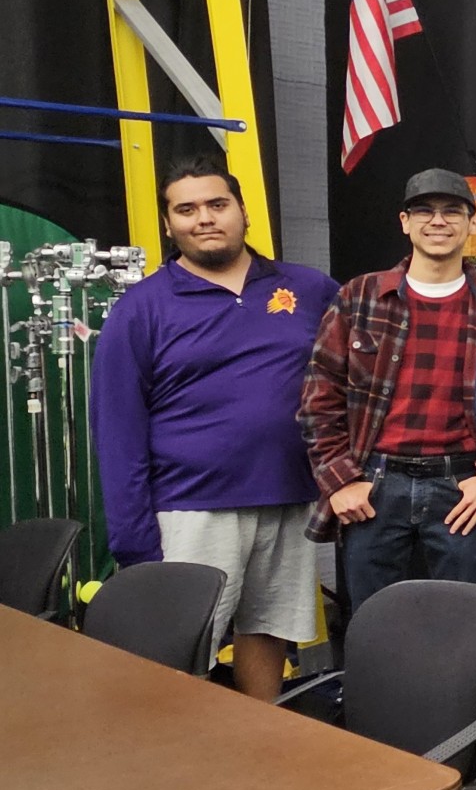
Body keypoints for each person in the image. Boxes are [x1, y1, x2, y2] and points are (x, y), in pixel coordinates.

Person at [90, 158, 339, 701]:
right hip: (190, 508)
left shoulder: (310, 288)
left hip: (289, 499)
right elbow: (117, 431)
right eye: (187, 209)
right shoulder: (141, 309)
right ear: (168, 225)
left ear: (243, 211)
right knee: (179, 651)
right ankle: (179, 773)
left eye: (217, 204)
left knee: (269, 630)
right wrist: (133, 542)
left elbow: (362, 371)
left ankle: (259, 749)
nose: (204, 218)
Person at [300, 169, 476, 609]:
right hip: (374, 485)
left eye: (452, 212)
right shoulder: (360, 297)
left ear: (473, 223)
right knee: (373, 623)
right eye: (424, 211)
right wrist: (341, 481)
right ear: (404, 221)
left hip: (462, 488)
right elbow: (318, 397)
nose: (437, 221)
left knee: (461, 624)